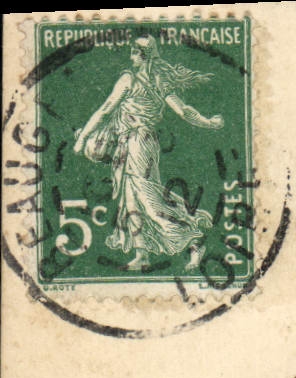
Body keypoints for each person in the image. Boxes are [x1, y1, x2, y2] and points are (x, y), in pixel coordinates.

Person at [72, 36, 224, 272]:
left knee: (148, 199)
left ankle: (194, 242)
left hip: (136, 143)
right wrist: (209, 122)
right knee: (131, 199)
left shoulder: (128, 79)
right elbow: (184, 111)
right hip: (139, 143)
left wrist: (82, 139)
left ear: (139, 55)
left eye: (133, 53)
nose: (130, 57)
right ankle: (142, 254)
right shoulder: (159, 81)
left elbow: (105, 110)